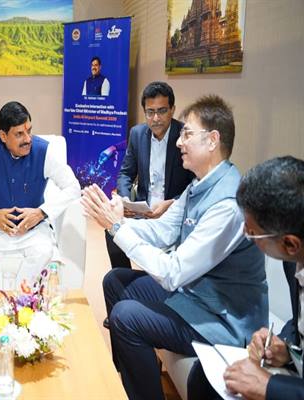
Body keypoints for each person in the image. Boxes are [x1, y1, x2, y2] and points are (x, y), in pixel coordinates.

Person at [81, 95, 268, 400]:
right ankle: (126, 381)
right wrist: (118, 220)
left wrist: (116, 228)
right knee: (115, 280)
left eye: (187, 134)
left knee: (127, 315)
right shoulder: (199, 185)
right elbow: (161, 230)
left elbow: (173, 273)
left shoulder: (227, 204)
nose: (179, 141)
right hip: (193, 298)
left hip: (221, 321)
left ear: (212, 140)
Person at [189, 156, 304, 400]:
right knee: (204, 376)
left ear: (290, 244)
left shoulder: (291, 251)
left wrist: (269, 387)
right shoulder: (293, 259)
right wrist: (286, 348)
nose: (245, 235)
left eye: (252, 234)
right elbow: (299, 322)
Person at [0, 101, 80, 288]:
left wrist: (41, 213)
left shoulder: (44, 151)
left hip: (33, 229)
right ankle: (0, 297)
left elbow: (73, 187)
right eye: (19, 134)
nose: (27, 139)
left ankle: (17, 297)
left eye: (29, 131)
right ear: (3, 136)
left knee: (44, 251)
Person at [106, 82, 194, 270]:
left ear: (172, 110)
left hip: (172, 213)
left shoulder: (185, 136)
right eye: (150, 112)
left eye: (162, 111)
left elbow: (195, 184)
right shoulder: (137, 134)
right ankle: (124, 277)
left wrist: (171, 203)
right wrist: (125, 200)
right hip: (142, 211)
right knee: (112, 227)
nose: (156, 118)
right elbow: (125, 173)